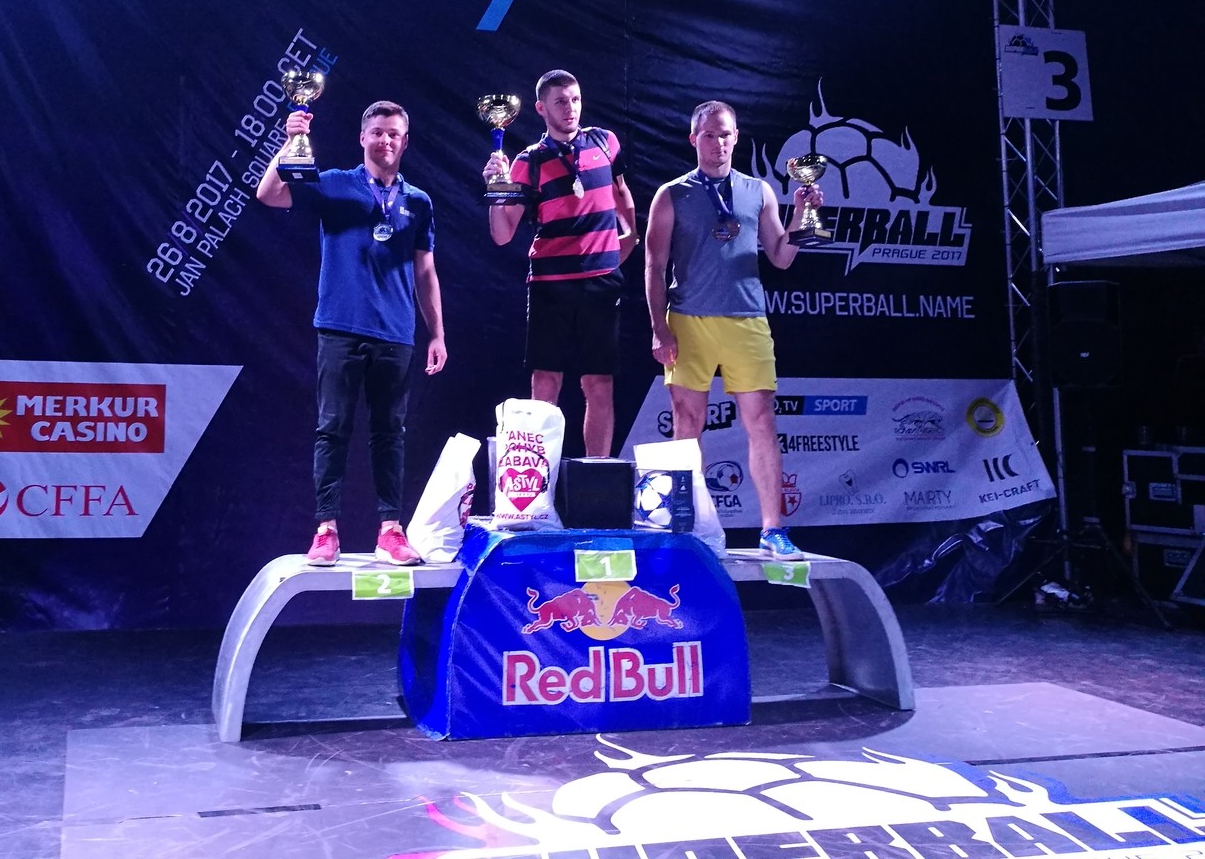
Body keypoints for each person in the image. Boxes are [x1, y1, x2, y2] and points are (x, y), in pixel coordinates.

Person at [257, 99, 447, 567]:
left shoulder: (419, 202)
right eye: (377, 132)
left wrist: (437, 333)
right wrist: (289, 141)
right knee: (332, 430)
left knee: (390, 434)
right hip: (340, 327)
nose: (385, 140)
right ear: (363, 137)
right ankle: (325, 530)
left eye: (394, 133)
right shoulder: (334, 184)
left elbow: (425, 272)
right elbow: (269, 193)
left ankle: (390, 531)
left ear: (405, 141)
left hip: (396, 331)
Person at [641, 100, 823, 560]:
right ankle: (687, 527)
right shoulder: (671, 194)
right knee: (687, 424)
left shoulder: (759, 190)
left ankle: (772, 529)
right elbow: (654, 265)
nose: (718, 144)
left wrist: (802, 215)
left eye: (725, 135)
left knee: (761, 422)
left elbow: (781, 256)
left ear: (736, 137)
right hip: (689, 320)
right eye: (709, 135)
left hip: (747, 319)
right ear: (694, 139)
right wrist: (660, 329)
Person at [483, 69, 635, 458]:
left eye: (575, 99)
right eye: (561, 102)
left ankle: (597, 474)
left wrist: (630, 236)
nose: (570, 108)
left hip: (601, 284)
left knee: (599, 384)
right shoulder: (527, 161)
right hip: (550, 284)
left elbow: (621, 192)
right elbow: (502, 234)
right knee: (546, 381)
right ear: (541, 109)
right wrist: (495, 190)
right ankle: (538, 480)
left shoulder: (605, 142)